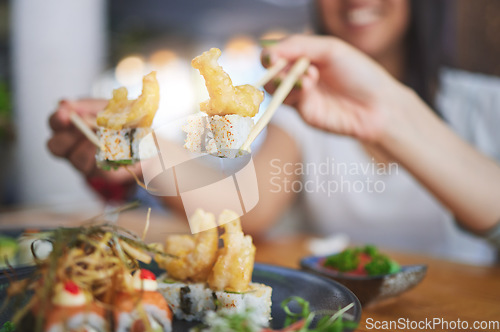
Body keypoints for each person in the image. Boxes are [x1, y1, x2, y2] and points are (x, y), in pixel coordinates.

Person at [48, 0, 500, 264]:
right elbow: (241, 208)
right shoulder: (302, 105)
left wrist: (390, 116)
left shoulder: (486, 102)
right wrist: (141, 149)